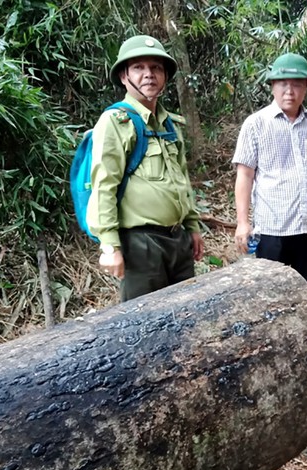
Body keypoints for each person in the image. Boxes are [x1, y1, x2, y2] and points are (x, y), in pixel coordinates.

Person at [87, 35, 204, 302]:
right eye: (139, 68)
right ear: (124, 76)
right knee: (143, 322)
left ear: (164, 76)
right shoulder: (116, 121)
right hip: (141, 244)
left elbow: (181, 179)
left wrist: (193, 226)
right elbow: (104, 184)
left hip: (178, 241)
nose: (149, 75)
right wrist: (109, 245)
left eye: (156, 68)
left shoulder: (169, 124)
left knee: (185, 314)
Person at [232, 53, 307, 288]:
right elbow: (245, 174)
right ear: (272, 86)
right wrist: (243, 222)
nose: (289, 91)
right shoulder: (256, 124)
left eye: (297, 84)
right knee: (270, 292)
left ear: (306, 88)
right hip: (272, 228)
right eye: (283, 84)